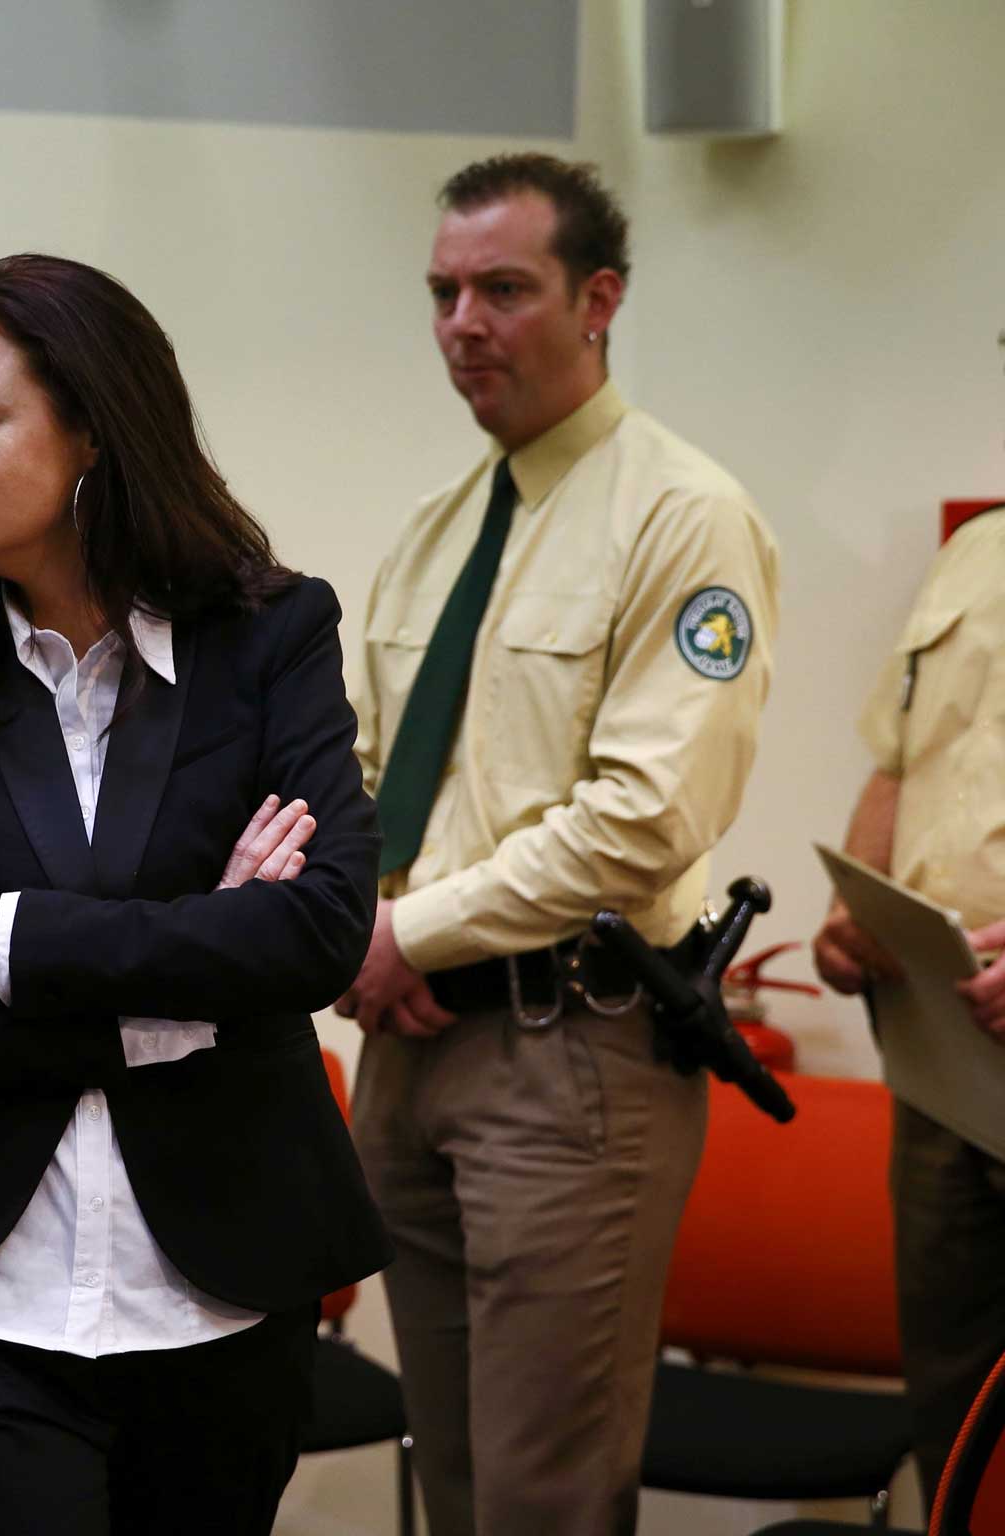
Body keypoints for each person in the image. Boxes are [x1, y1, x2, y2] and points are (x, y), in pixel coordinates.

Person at [0, 252, 391, 1535]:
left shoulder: (269, 637)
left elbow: (313, 931)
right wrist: (179, 991)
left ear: (89, 428)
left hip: (220, 1302)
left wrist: (19, 940)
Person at [341, 153, 780, 1535]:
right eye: (443, 293)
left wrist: (405, 929)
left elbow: (646, 817)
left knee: (542, 1501)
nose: (463, 323)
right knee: (457, 1484)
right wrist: (360, 919)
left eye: (503, 289)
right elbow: (360, 776)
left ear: (601, 300)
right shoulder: (435, 534)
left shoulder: (682, 515)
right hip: (409, 1048)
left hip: (569, 1054)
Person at [811, 501, 1005, 1512]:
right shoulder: (975, 550)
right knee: (951, 1402)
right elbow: (901, 757)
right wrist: (853, 904)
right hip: (941, 1063)